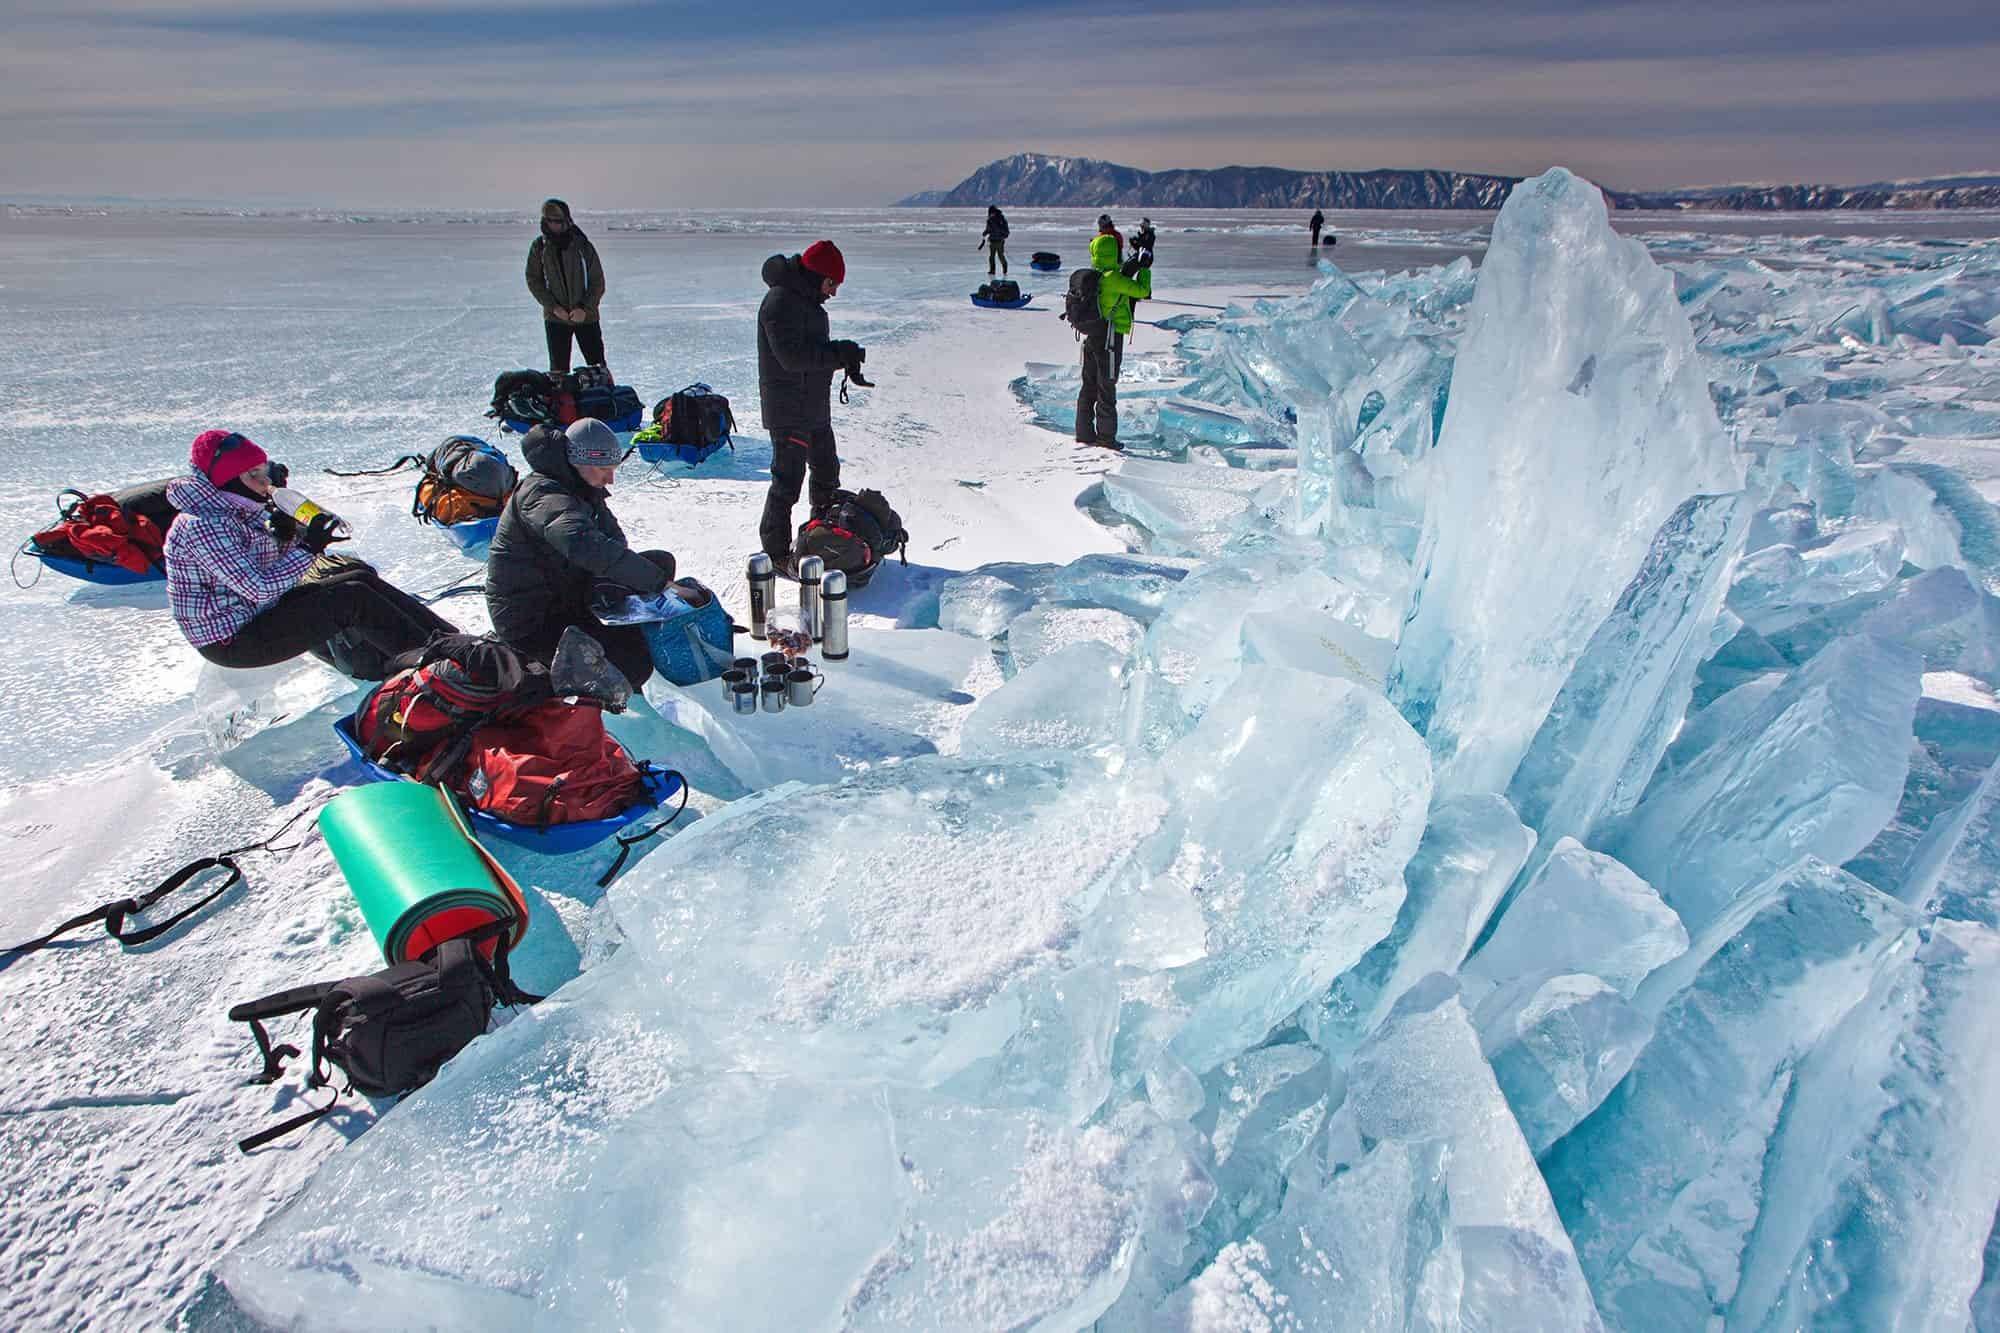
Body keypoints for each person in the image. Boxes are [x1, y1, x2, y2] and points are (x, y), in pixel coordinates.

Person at [165, 430, 455, 676]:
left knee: (358, 579)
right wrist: (309, 546)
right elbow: (259, 587)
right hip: (232, 639)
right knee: (351, 600)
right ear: (226, 482)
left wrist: (290, 534)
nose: (264, 481)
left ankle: (453, 643)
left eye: (263, 470)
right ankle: (441, 669)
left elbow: (274, 569)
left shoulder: (236, 506)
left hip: (255, 614)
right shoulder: (202, 525)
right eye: (252, 474)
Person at [486, 418, 677, 688]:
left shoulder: (581, 484)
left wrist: (635, 581)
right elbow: (585, 545)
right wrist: (660, 583)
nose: (610, 478)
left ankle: (612, 627)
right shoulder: (542, 494)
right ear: (579, 461)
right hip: (532, 619)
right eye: (604, 469)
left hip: (567, 589)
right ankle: (545, 668)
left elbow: (613, 540)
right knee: (634, 666)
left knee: (660, 562)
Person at [756, 240, 864, 572]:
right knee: (787, 483)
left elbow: (812, 350)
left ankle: (821, 538)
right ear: (817, 274)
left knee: (827, 472)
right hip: (789, 410)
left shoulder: (809, 304)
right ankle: (776, 555)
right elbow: (791, 358)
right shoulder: (779, 302)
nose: (833, 292)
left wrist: (841, 352)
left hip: (814, 406)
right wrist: (836, 355)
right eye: (832, 283)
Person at [1074, 226, 1152, 451]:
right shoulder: (1113, 279)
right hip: (1109, 338)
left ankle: (1084, 433)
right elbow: (1142, 291)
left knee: (1088, 385)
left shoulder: (1094, 276)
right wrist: (1145, 269)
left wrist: (1133, 262)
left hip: (1091, 336)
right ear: (1113, 252)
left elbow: (1121, 272)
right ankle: (1107, 439)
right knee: (1106, 386)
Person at [526, 198, 607, 377]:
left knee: (598, 368)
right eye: (550, 221)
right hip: (556, 319)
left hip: (586, 318)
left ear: (567, 220)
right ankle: (563, 404)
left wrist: (585, 309)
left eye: (558, 221)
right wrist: (553, 307)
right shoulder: (539, 248)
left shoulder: (583, 246)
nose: (554, 225)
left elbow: (597, 282)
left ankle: (606, 402)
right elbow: (534, 280)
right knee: (558, 374)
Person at [981, 206, 1010, 276]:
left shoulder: (1001, 219)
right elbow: (988, 229)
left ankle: (1005, 269)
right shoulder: (990, 220)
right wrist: (985, 233)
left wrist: (1003, 235)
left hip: (999, 241)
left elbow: (1006, 230)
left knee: (1000, 256)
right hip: (992, 241)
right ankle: (992, 270)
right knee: (991, 257)